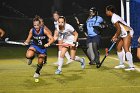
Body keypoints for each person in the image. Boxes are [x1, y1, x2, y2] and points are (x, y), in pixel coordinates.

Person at [106, 5, 135, 71]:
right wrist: (115, 36)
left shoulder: (114, 18)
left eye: (106, 11)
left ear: (109, 11)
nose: (106, 12)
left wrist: (115, 36)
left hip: (127, 32)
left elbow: (119, 29)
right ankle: (121, 64)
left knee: (126, 48)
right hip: (122, 33)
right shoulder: (113, 17)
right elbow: (119, 29)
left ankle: (131, 66)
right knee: (118, 47)